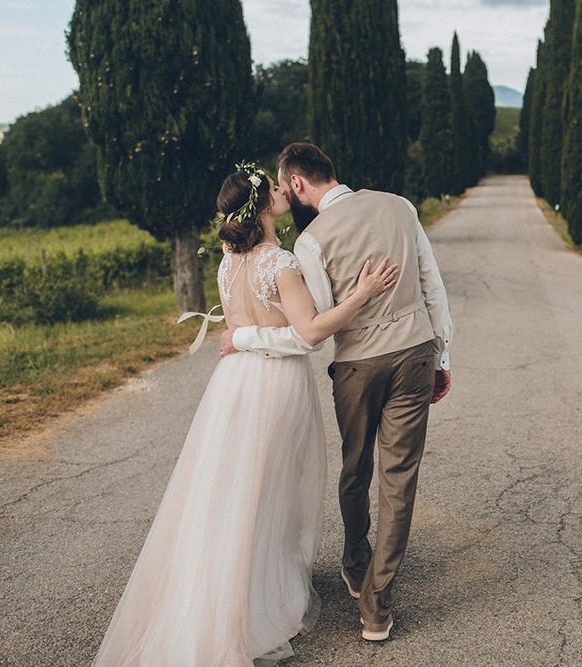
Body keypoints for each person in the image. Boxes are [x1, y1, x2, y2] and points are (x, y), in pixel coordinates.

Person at [92, 162, 397, 666]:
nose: (283, 191)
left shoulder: (227, 264)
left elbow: (237, 330)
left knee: (231, 492)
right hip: (275, 387)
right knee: (268, 492)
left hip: (233, 386)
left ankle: (224, 590)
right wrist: (362, 295)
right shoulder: (279, 263)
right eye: (275, 189)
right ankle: (252, 604)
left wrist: (242, 338)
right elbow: (310, 333)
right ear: (261, 206)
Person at [221, 142, 453, 642]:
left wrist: (243, 337)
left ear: (298, 184)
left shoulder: (311, 241)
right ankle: (377, 607)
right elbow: (432, 284)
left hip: (357, 366)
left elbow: (319, 323)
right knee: (400, 481)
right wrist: (441, 356)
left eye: (287, 185)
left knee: (356, 467)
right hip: (415, 353)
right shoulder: (400, 205)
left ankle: (354, 560)